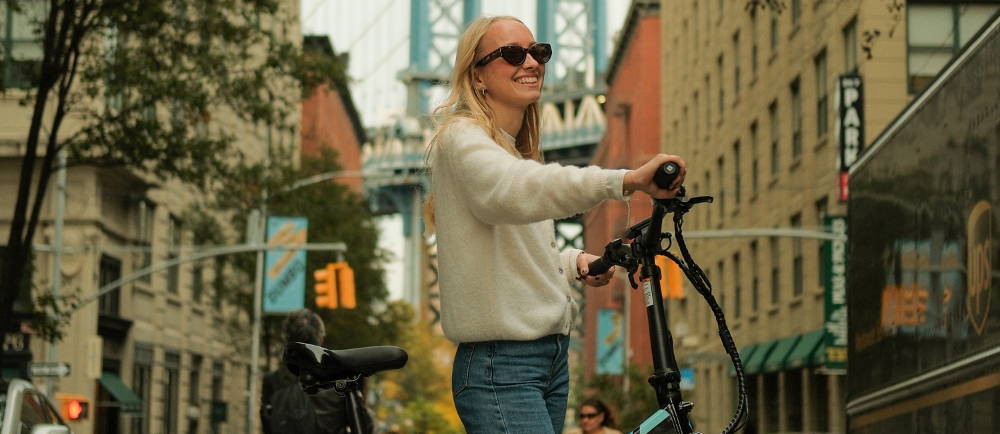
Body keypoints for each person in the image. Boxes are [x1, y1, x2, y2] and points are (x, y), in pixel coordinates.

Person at [425, 15, 687, 434]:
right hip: (501, 365)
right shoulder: (461, 138)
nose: (530, 62)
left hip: (548, 360)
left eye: (538, 51)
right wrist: (623, 180)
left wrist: (571, 262)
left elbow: (515, 248)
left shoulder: (511, 153)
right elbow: (515, 191)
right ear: (477, 77)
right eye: (512, 54)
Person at [260, 309, 371, 434]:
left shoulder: (272, 381)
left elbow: (267, 426)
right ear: (321, 339)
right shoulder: (344, 380)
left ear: (286, 340)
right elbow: (365, 427)